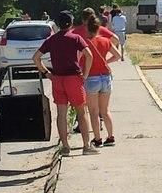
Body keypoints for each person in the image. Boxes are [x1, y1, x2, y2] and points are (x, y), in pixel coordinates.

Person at [33, 11, 96, 155]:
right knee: (81, 112)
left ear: (58, 24)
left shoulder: (52, 39)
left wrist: (47, 73)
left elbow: (36, 58)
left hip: (57, 79)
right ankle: (86, 146)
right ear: (71, 23)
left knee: (61, 113)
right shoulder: (76, 38)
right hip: (74, 78)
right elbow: (89, 55)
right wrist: (85, 74)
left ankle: (65, 147)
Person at [82, 14, 118, 147]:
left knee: (93, 111)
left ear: (87, 28)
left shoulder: (85, 42)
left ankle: (97, 139)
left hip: (92, 78)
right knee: (105, 110)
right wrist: (106, 62)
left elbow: (79, 58)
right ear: (99, 28)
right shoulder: (105, 40)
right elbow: (117, 55)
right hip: (106, 77)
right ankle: (110, 137)